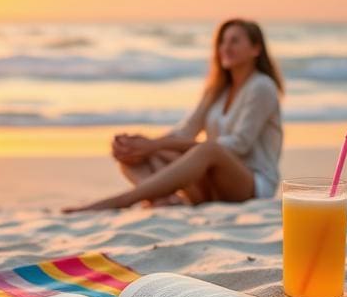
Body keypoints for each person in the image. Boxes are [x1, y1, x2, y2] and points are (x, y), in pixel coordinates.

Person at [62, 18, 284, 212]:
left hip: (253, 186)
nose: (225, 47)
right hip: (215, 190)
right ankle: (163, 200)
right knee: (134, 156)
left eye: (234, 41)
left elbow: (238, 145)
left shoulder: (261, 87)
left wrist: (156, 145)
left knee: (207, 148)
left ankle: (121, 200)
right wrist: (143, 145)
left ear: (256, 49)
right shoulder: (217, 89)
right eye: (222, 42)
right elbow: (186, 130)